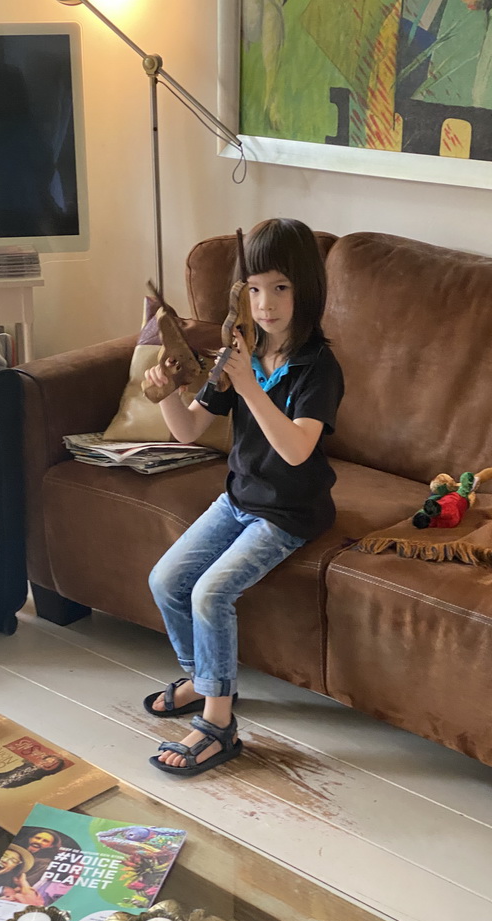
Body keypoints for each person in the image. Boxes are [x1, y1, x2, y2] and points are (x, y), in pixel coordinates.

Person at [143, 218, 344, 777]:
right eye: (253, 289)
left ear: (306, 290)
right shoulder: (238, 351)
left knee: (211, 593)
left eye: (280, 287)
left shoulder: (317, 367)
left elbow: (298, 450)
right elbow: (187, 430)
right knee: (167, 580)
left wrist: (250, 387)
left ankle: (218, 725)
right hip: (238, 499)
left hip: (289, 513)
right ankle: (204, 678)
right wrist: (164, 394)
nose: (266, 303)